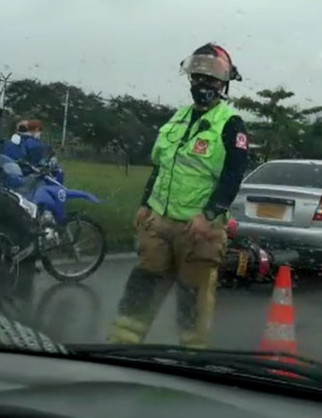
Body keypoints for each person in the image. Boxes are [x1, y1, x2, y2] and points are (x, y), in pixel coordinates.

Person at [107, 43, 249, 348]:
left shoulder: (231, 124)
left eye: (210, 79)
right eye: (197, 77)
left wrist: (208, 215)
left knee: (192, 294)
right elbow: (163, 165)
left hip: (199, 229)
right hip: (159, 221)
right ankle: (121, 347)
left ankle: (192, 355)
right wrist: (146, 204)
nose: (202, 85)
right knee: (143, 282)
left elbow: (232, 177)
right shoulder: (179, 117)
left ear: (224, 84)